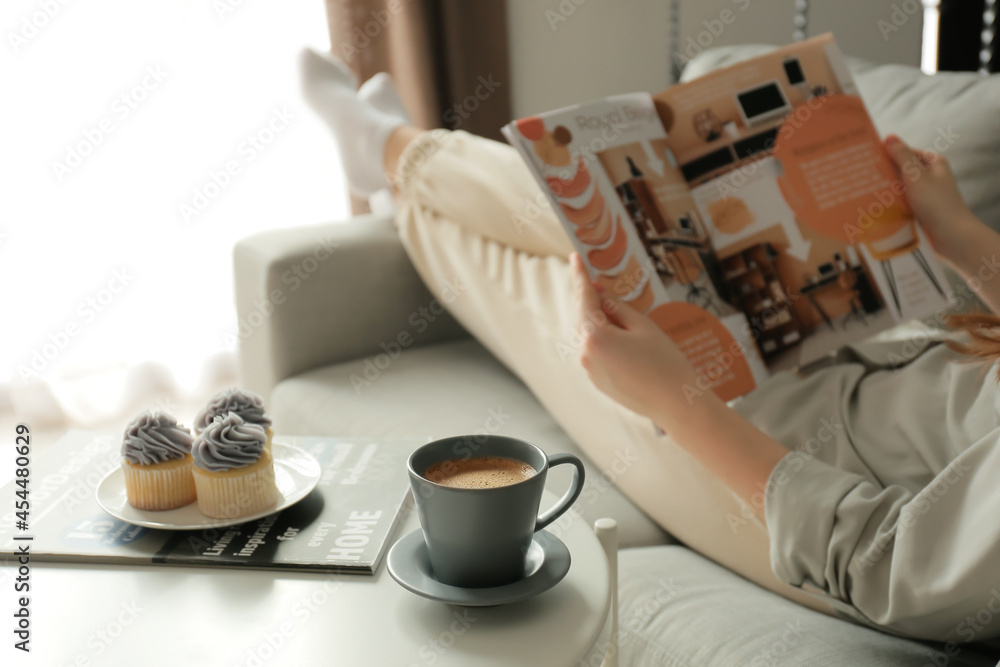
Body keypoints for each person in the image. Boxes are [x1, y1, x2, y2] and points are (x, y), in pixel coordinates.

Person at [299, 48, 1000, 642]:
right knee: (601, 231)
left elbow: (884, 561)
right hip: (869, 361)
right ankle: (394, 160)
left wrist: (680, 403)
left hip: (805, 490)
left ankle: (389, 154)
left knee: (554, 291)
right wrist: (964, 239)